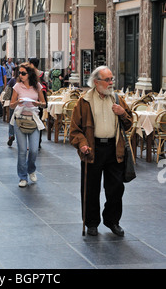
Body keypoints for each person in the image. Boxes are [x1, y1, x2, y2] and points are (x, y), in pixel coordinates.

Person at [69, 66, 133, 237]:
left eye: (112, 79)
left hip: (114, 148)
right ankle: (91, 223)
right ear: (96, 82)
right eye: (107, 79)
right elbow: (74, 130)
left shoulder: (117, 99)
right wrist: (82, 144)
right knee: (90, 189)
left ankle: (112, 221)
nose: (111, 82)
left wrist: (122, 114)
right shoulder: (84, 101)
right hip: (92, 150)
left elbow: (129, 123)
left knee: (116, 188)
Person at [10, 62, 46, 188]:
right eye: (19, 73)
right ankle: (22, 177)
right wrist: (17, 102)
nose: (20, 75)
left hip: (33, 120)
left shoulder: (37, 86)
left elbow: (44, 103)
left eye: (23, 73)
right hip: (20, 119)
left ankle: (31, 169)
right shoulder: (17, 86)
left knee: (34, 150)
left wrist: (37, 103)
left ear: (29, 74)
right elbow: (11, 105)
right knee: (21, 151)